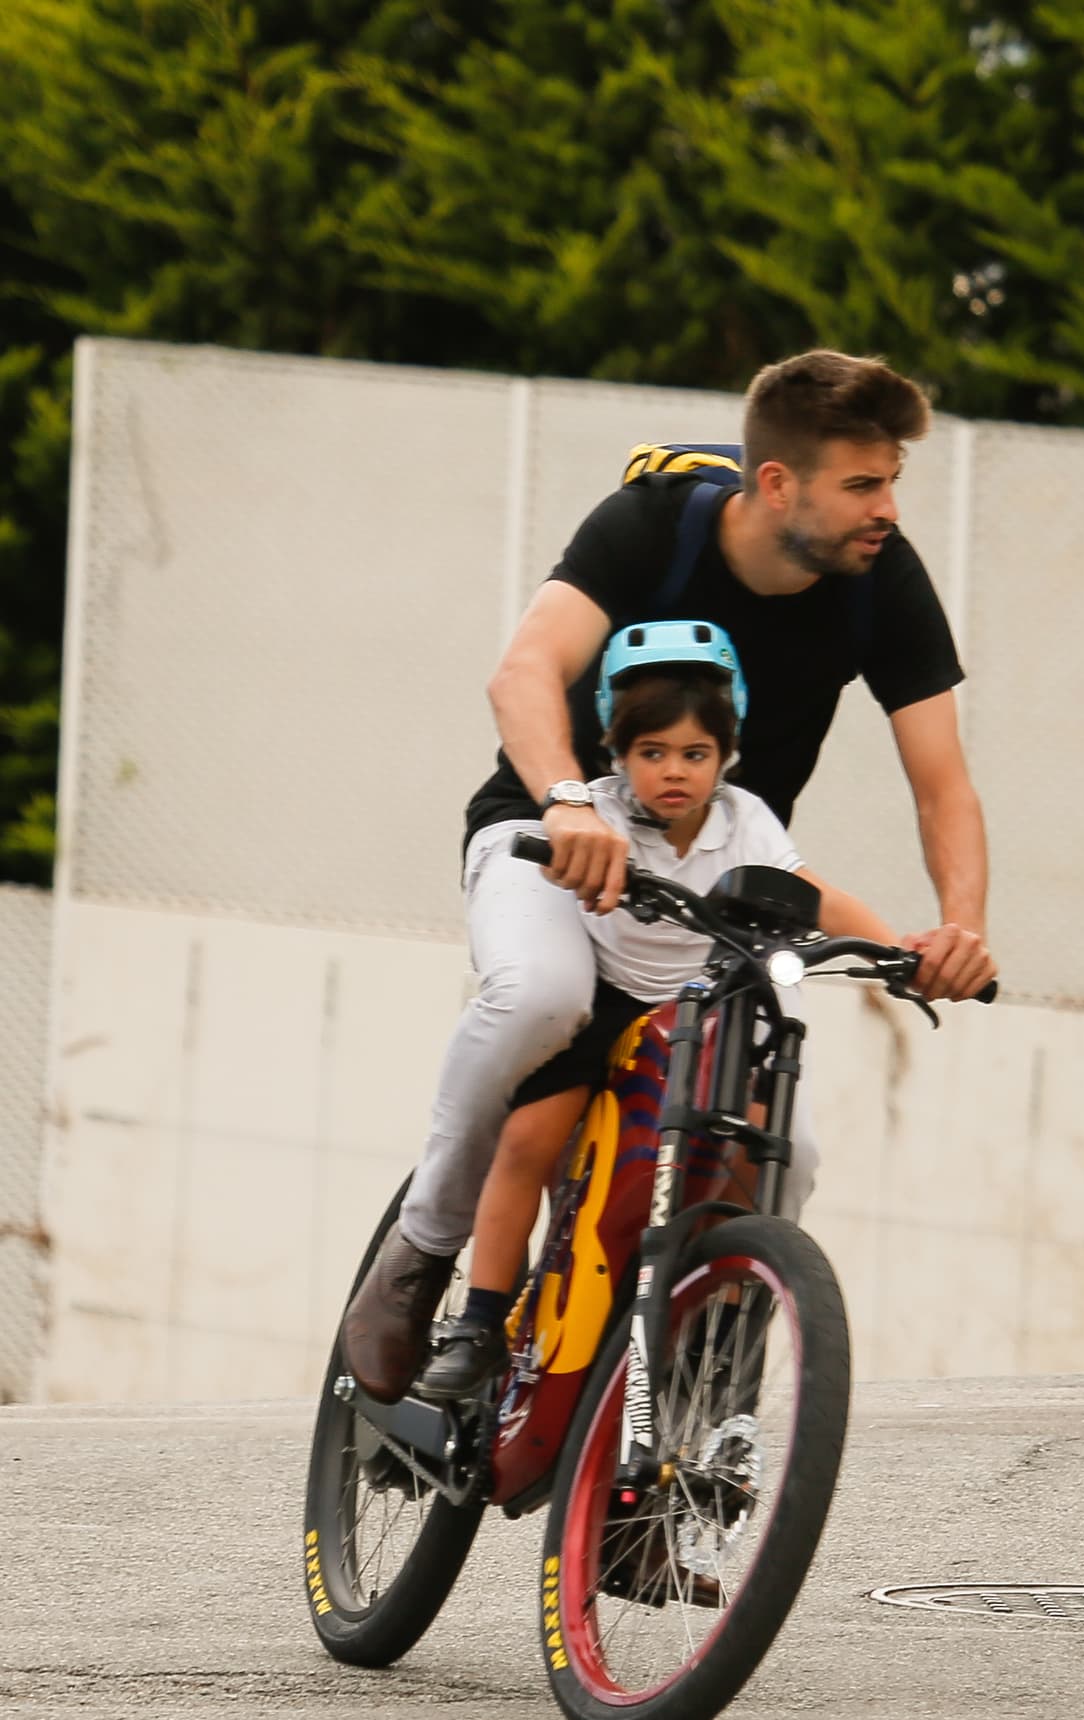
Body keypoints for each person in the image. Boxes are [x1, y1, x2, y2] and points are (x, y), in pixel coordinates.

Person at [342, 349, 996, 1405]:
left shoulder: (882, 579)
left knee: (784, 1151)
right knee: (539, 996)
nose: (886, 508)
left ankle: (694, 1411)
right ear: (776, 483)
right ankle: (421, 1256)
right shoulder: (652, 525)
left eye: (892, 482)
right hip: (551, 836)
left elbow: (942, 783)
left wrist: (953, 930)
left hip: (718, 879)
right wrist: (561, 797)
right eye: (863, 484)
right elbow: (521, 672)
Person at [413, 627, 928, 1398]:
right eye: (652, 752)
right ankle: (478, 1322)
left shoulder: (747, 820)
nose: (674, 772)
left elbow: (813, 895)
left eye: (695, 753)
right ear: (617, 752)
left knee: (762, 1145)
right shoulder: (598, 814)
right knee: (528, 1137)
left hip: (702, 1014)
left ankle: (719, 1334)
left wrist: (899, 953)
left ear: (727, 754)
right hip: (610, 1004)